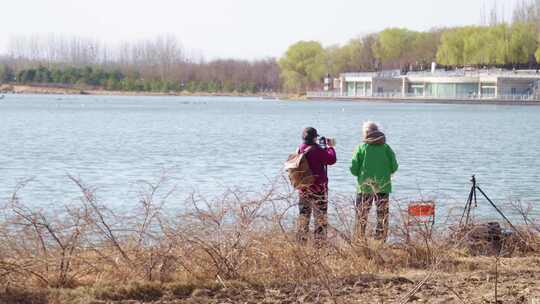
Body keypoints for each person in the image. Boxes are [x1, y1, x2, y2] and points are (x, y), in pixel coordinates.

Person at [350, 121, 398, 242]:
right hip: (383, 187)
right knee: (382, 216)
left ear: (366, 133)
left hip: (365, 187)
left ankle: (360, 240)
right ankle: (380, 240)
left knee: (361, 216)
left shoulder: (361, 147)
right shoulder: (386, 148)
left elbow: (353, 169)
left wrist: (361, 174)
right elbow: (395, 167)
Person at [296, 127, 337, 245]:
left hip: (303, 189)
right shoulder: (316, 150)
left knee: (303, 217)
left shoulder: (300, 148)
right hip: (318, 189)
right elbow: (331, 159)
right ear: (314, 138)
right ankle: (319, 245)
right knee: (320, 218)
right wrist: (330, 147)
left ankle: (301, 245)